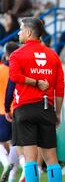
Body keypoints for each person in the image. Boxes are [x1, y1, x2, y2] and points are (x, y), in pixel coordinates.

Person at [8, 17, 65, 182]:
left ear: (28, 32)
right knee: (51, 157)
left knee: (30, 157)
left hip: (25, 108)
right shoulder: (53, 55)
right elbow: (60, 88)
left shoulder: (17, 54)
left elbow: (15, 76)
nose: (18, 33)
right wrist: (57, 112)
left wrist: (34, 82)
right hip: (47, 107)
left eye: (20, 29)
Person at [0, 42, 19, 180]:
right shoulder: (19, 69)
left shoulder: (1, 70)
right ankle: (21, 171)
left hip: (2, 111)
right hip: (18, 110)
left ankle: (6, 163)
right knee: (15, 143)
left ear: (6, 53)